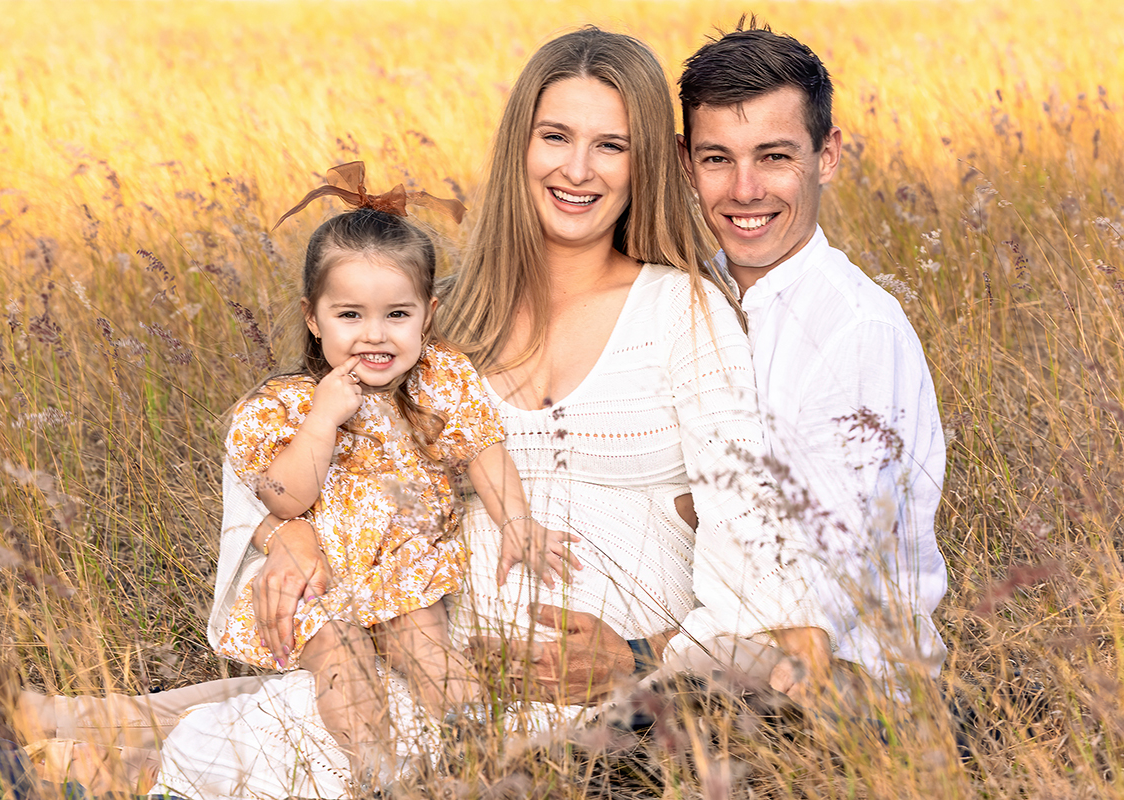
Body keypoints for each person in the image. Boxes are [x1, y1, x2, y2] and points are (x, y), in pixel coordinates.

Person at [142, 27, 838, 800]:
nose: (577, 169)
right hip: (437, 660)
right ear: (521, 147)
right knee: (230, 754)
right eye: (556, 137)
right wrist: (287, 534)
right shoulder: (448, 319)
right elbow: (314, 447)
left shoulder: (687, 312)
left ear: (646, 163)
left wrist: (648, 657)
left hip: (608, 697)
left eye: (611, 145)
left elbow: (750, 543)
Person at [213, 171, 580, 786]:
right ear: (313, 318)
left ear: (428, 314)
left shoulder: (439, 379)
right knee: (343, 661)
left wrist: (517, 523)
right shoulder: (286, 406)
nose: (375, 335)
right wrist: (324, 422)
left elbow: (482, 448)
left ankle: (484, 749)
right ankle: (379, 771)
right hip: (321, 581)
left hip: (403, 566)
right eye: (350, 314)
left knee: (430, 650)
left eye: (397, 314)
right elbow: (285, 498)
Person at [676, 21, 949, 690]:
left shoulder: (855, 331)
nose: (744, 190)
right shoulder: (686, 300)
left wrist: (640, 656)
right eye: (718, 159)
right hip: (724, 650)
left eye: (774, 157)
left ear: (826, 155)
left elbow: (815, 593)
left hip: (847, 685)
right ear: (686, 163)